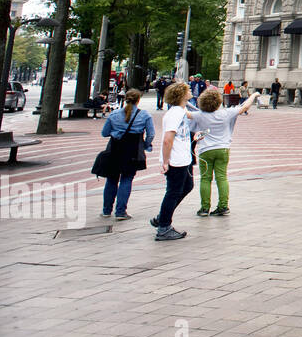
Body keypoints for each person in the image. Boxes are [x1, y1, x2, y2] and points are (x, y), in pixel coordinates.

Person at [187, 86, 258, 217]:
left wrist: (183, 99)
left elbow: (184, 113)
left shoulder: (199, 115)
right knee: (222, 177)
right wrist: (253, 95)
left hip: (205, 150)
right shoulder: (226, 113)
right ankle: (223, 205)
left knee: (205, 179)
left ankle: (204, 208)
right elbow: (244, 107)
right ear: (219, 101)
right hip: (223, 149)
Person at [98, 89, 154, 221]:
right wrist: (146, 145)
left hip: (115, 149)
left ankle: (106, 210)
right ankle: (120, 211)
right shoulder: (145, 115)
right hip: (133, 151)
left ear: (125, 99)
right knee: (127, 179)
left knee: (111, 179)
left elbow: (104, 133)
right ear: (138, 100)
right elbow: (151, 134)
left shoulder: (114, 114)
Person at [151, 81, 194, 241]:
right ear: (181, 95)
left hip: (184, 158)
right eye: (187, 90)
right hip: (176, 160)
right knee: (173, 192)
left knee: (187, 186)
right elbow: (168, 139)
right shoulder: (174, 113)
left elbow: (194, 116)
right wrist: (165, 161)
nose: (190, 91)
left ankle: (162, 217)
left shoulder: (181, 110)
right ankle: (163, 227)